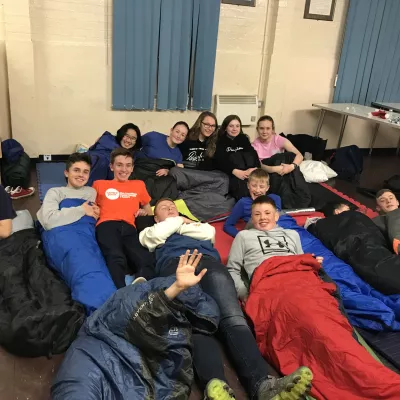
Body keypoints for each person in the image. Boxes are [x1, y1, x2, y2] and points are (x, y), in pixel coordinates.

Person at [227, 195, 400, 399]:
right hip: (271, 282)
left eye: (267, 213)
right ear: (252, 218)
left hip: (302, 279)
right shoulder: (244, 237)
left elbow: (302, 259)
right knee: (304, 323)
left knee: (330, 321)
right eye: (257, 214)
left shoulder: (291, 234)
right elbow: (233, 269)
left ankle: (367, 374)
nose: (262, 217)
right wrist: (247, 294)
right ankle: (360, 374)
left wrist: (312, 262)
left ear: (276, 216)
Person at [139, 198, 313, 400]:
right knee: (197, 322)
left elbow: (208, 233)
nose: (170, 209)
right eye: (164, 208)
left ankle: (264, 385)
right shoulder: (149, 231)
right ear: (155, 216)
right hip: (176, 267)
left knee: (233, 317)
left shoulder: (198, 225)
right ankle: (216, 388)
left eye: (173, 207)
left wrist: (176, 225)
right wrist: (180, 222)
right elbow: (154, 236)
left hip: (210, 264)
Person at [93, 148, 155, 288]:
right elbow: (92, 207)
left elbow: (148, 209)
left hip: (130, 227)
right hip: (106, 225)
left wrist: (144, 214)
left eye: (128, 165)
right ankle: (120, 291)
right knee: (116, 256)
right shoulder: (99, 184)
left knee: (144, 258)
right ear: (112, 166)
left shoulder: (138, 185)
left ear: (132, 168)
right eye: (119, 165)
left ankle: (141, 284)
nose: (123, 169)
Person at [38, 153, 99, 230]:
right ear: (66, 173)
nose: (81, 175)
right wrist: (82, 210)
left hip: (85, 234)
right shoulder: (55, 192)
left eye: (85, 172)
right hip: (62, 233)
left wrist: (97, 214)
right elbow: (48, 221)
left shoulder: (91, 192)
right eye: (76, 170)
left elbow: (91, 220)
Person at [224, 168, 281, 237]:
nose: (257, 190)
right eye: (254, 186)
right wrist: (242, 237)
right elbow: (228, 225)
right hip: (254, 235)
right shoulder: (243, 203)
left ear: (267, 188)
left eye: (261, 187)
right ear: (248, 186)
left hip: (275, 234)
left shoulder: (275, 199)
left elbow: (278, 220)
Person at [214, 115, 261, 200]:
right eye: (231, 126)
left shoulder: (244, 138)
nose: (234, 129)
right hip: (233, 173)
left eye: (237, 126)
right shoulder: (220, 141)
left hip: (249, 171)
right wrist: (236, 172)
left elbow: (253, 154)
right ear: (225, 128)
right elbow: (220, 160)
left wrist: (254, 169)